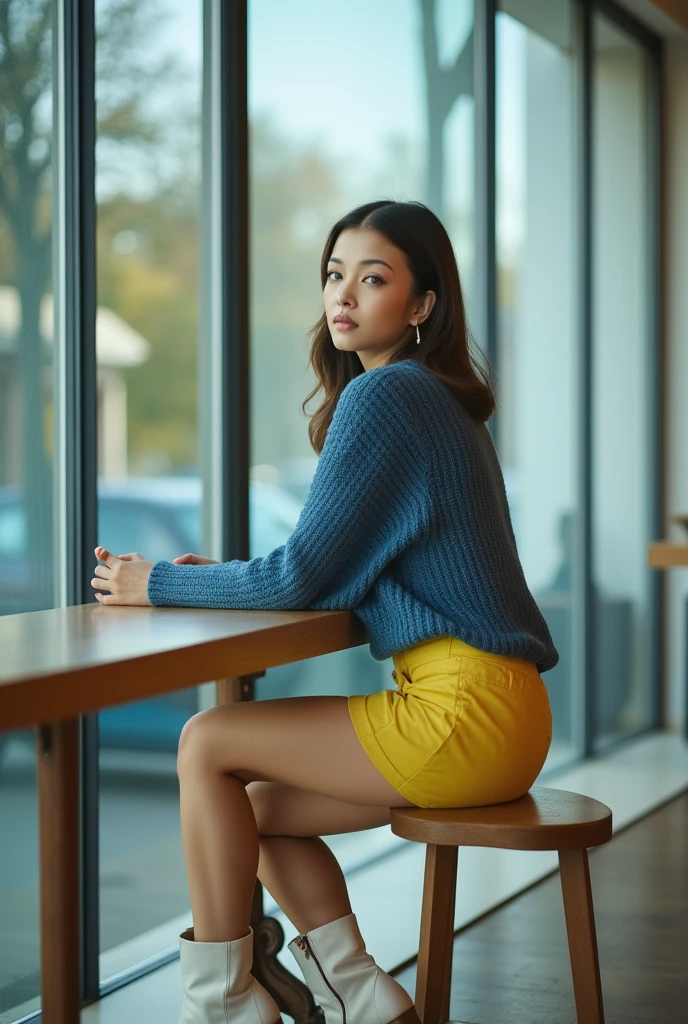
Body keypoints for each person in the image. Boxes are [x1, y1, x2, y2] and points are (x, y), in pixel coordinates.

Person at [92, 199, 558, 1024]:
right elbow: (330, 567)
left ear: (421, 306)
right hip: (506, 716)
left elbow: (301, 576)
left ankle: (228, 1003)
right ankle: (364, 997)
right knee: (252, 808)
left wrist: (154, 583)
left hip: (460, 713)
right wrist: (221, 576)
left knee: (207, 744)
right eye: (334, 275)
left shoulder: (388, 398)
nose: (343, 294)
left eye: (372, 278)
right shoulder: (435, 400)